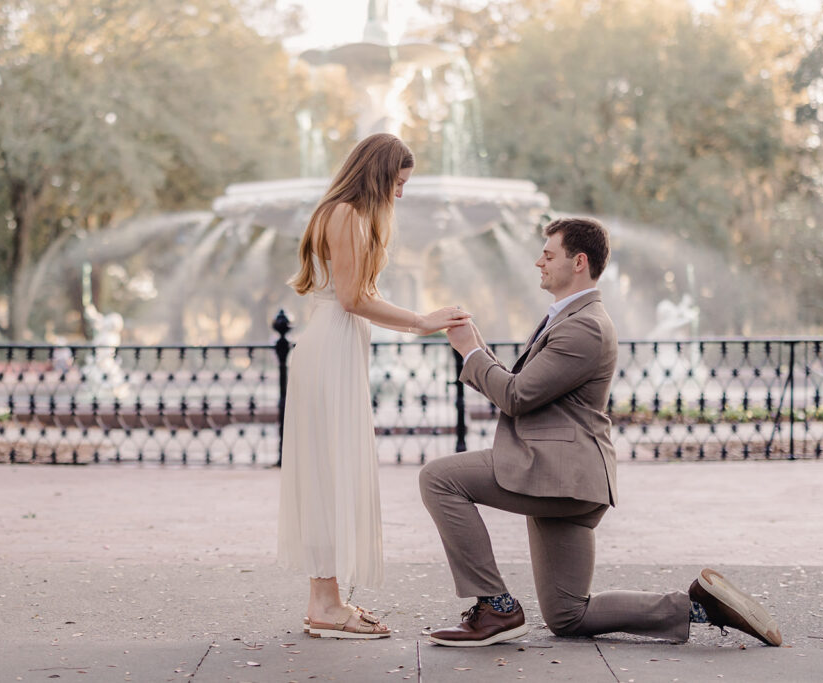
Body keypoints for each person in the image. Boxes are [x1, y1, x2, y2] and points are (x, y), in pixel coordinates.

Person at [420, 217, 782, 648]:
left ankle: (495, 607)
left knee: (439, 478)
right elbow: (529, 388)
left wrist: (471, 352)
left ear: (579, 262)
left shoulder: (585, 325)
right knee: (568, 615)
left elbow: (516, 396)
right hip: (567, 478)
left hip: (557, 474)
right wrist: (478, 345)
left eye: (548, 254)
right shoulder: (572, 317)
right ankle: (700, 607)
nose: (538, 261)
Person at [277, 133, 471, 640]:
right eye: (399, 182)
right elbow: (352, 298)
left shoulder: (345, 214)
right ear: (380, 174)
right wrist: (422, 321)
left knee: (331, 469)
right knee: (328, 471)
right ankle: (324, 604)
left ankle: (328, 599)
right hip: (331, 349)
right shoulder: (345, 214)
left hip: (336, 349)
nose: (401, 194)